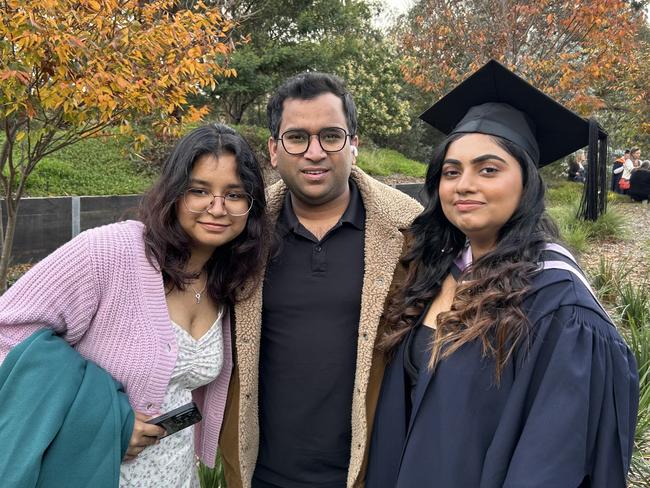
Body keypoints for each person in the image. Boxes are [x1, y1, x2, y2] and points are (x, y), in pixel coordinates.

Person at [367, 59, 639, 488]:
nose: (464, 185)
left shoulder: (560, 307)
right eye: (451, 172)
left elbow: (553, 463)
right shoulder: (437, 272)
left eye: (488, 169)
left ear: (527, 183)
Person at [0, 123, 269, 487]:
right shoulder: (109, 253)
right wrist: (102, 421)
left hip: (175, 476)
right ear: (174, 193)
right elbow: (6, 331)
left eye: (234, 194)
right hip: (90, 474)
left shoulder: (229, 280)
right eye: (199, 190)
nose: (217, 207)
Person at [218, 72, 423, 488]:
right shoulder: (237, 237)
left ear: (354, 145)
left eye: (331, 135)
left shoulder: (411, 237)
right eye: (297, 138)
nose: (315, 152)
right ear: (274, 150)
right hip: (261, 475)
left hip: (373, 472)